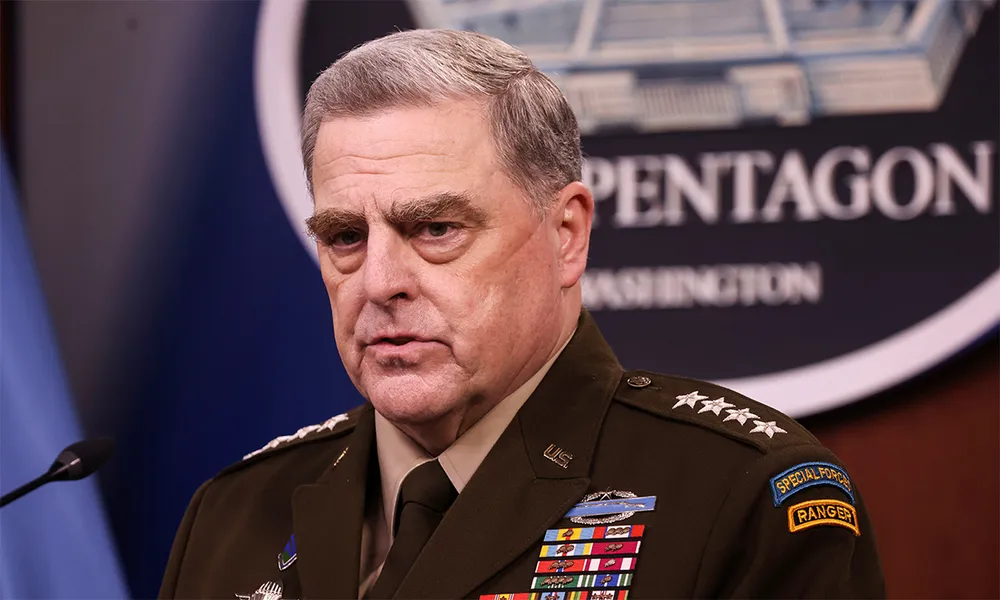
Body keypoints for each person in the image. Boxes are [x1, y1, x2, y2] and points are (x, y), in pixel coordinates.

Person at [159, 28, 885, 600]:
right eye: (346, 237)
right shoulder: (234, 515)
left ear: (566, 234)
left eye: (435, 229)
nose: (379, 282)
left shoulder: (742, 497)